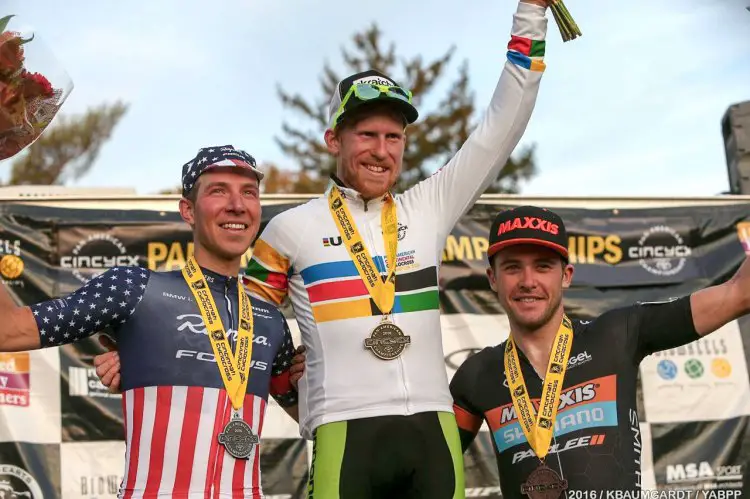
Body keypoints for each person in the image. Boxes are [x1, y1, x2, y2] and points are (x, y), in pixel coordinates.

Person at [98, 0, 551, 495]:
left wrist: (530, 15)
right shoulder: (289, 230)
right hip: (342, 430)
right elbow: (232, 327)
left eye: (394, 137)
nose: (382, 150)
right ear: (334, 139)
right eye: (367, 135)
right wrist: (147, 356)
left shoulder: (430, 207)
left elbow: (499, 131)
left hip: (432, 431)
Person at [0, 145, 303, 498]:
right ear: (187, 210)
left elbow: (312, 415)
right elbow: (7, 331)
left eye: (248, 192)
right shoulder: (132, 289)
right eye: (218, 190)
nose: (237, 204)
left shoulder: (268, 319)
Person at [449, 205, 750, 497]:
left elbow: (739, 293)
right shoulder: (477, 374)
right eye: (513, 267)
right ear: (493, 279)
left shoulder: (619, 334)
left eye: (543, 266)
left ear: (566, 275)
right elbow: (431, 468)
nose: (528, 281)